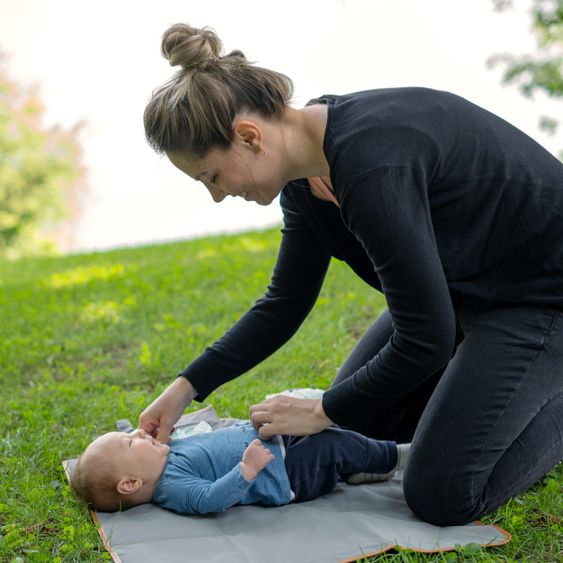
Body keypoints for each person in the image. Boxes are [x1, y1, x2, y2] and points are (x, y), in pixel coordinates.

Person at [139, 23, 563, 526]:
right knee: (358, 426)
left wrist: (322, 410)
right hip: (462, 298)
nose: (216, 194)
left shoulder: (372, 163)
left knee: (441, 491)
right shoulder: (305, 177)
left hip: (540, 300)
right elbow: (285, 303)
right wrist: (185, 387)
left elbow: (426, 338)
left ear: (248, 136)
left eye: (212, 176)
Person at [70, 424, 408, 514]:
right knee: (331, 444)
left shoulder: (164, 456)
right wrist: (246, 470)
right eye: (130, 442)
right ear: (131, 483)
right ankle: (395, 458)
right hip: (285, 475)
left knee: (325, 430)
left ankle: (357, 469)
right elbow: (210, 499)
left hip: (274, 444)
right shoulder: (171, 487)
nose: (139, 434)